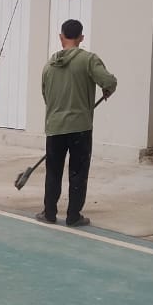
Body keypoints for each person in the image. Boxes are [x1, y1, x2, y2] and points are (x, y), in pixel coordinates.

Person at [37, 18, 116, 228]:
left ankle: (49, 213)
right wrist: (107, 89)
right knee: (78, 172)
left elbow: (45, 95)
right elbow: (109, 81)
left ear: (61, 37)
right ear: (81, 37)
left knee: (53, 172)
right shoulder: (88, 60)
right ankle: (73, 216)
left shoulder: (49, 66)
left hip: (55, 127)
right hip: (80, 127)